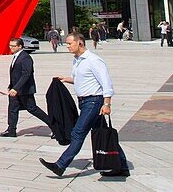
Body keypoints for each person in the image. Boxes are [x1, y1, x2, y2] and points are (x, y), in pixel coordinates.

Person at [39, 30, 130, 178]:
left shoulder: (93, 60)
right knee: (104, 133)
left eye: (69, 43)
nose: (67, 46)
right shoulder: (77, 60)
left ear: (79, 42)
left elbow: (106, 83)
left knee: (78, 133)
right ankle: (122, 165)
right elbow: (81, 79)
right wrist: (64, 79)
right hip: (84, 101)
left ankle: (60, 165)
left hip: (94, 101)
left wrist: (107, 104)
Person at [0, 37, 50, 138]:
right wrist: (11, 86)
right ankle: (11, 130)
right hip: (15, 89)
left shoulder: (25, 57)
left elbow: (26, 74)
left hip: (24, 90)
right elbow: (15, 74)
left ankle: (54, 126)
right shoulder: (16, 56)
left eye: (13, 46)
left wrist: (16, 88)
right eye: (10, 45)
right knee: (12, 109)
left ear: (20, 46)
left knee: (32, 109)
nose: (10, 47)